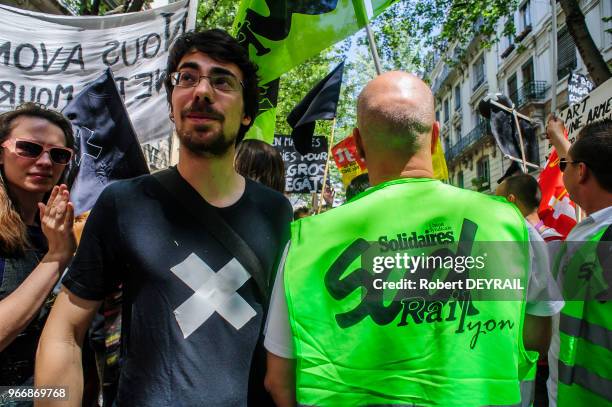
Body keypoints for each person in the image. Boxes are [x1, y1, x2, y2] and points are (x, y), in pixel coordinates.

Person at [263, 72, 560, 406]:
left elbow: (278, 381)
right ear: (435, 137)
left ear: (358, 145)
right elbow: (535, 340)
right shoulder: (511, 226)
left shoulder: (307, 244)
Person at [35, 29, 293, 406]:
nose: (201, 91)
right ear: (172, 104)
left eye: (222, 81)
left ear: (247, 114)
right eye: (186, 78)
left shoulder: (276, 212)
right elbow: (65, 330)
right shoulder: (124, 202)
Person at [0, 103, 76, 388]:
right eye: (29, 148)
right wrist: (57, 258)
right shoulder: (59, 246)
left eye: (58, 155)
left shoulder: (56, 232)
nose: (45, 162)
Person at [545, 117, 612, 406]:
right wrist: (563, 145)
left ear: (582, 171)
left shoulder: (594, 245)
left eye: (565, 166)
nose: (563, 172)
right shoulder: (587, 236)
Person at [496, 173, 563, 241]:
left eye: (499, 201)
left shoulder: (516, 243)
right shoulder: (555, 240)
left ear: (511, 200)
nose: (496, 208)